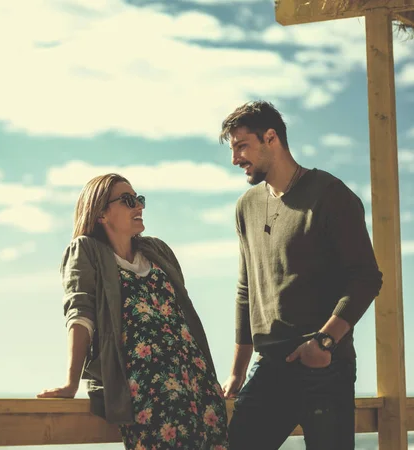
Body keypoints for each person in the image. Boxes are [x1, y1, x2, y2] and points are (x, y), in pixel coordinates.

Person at [217, 101, 383, 450]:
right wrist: (237, 370)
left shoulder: (330, 194)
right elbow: (246, 290)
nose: (235, 159)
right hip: (269, 369)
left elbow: (366, 277)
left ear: (271, 137)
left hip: (325, 368)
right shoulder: (245, 206)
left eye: (242, 146)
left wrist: (324, 342)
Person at [38, 173, 229, 450]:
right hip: (148, 393)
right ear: (101, 212)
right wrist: (70, 383)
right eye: (128, 200)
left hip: (197, 384)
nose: (138, 206)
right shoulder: (87, 251)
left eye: (139, 199)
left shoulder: (158, 250)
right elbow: (80, 314)